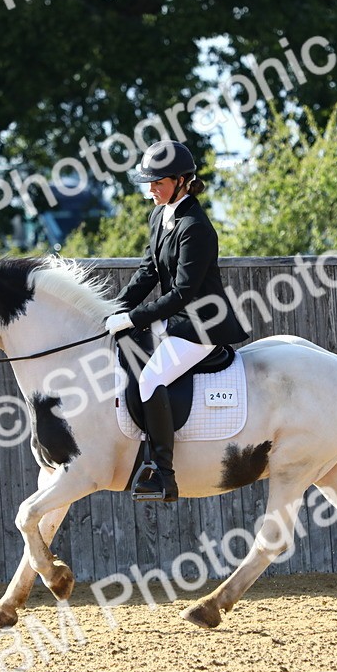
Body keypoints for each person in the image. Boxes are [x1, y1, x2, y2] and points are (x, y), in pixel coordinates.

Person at [104, 140, 250, 502]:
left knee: (152, 378)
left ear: (183, 181)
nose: (151, 190)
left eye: (158, 183)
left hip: (201, 325)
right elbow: (147, 272)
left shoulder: (195, 227)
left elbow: (184, 292)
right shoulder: (160, 216)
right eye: (149, 183)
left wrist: (133, 318)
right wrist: (114, 310)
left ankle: (163, 475)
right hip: (174, 322)